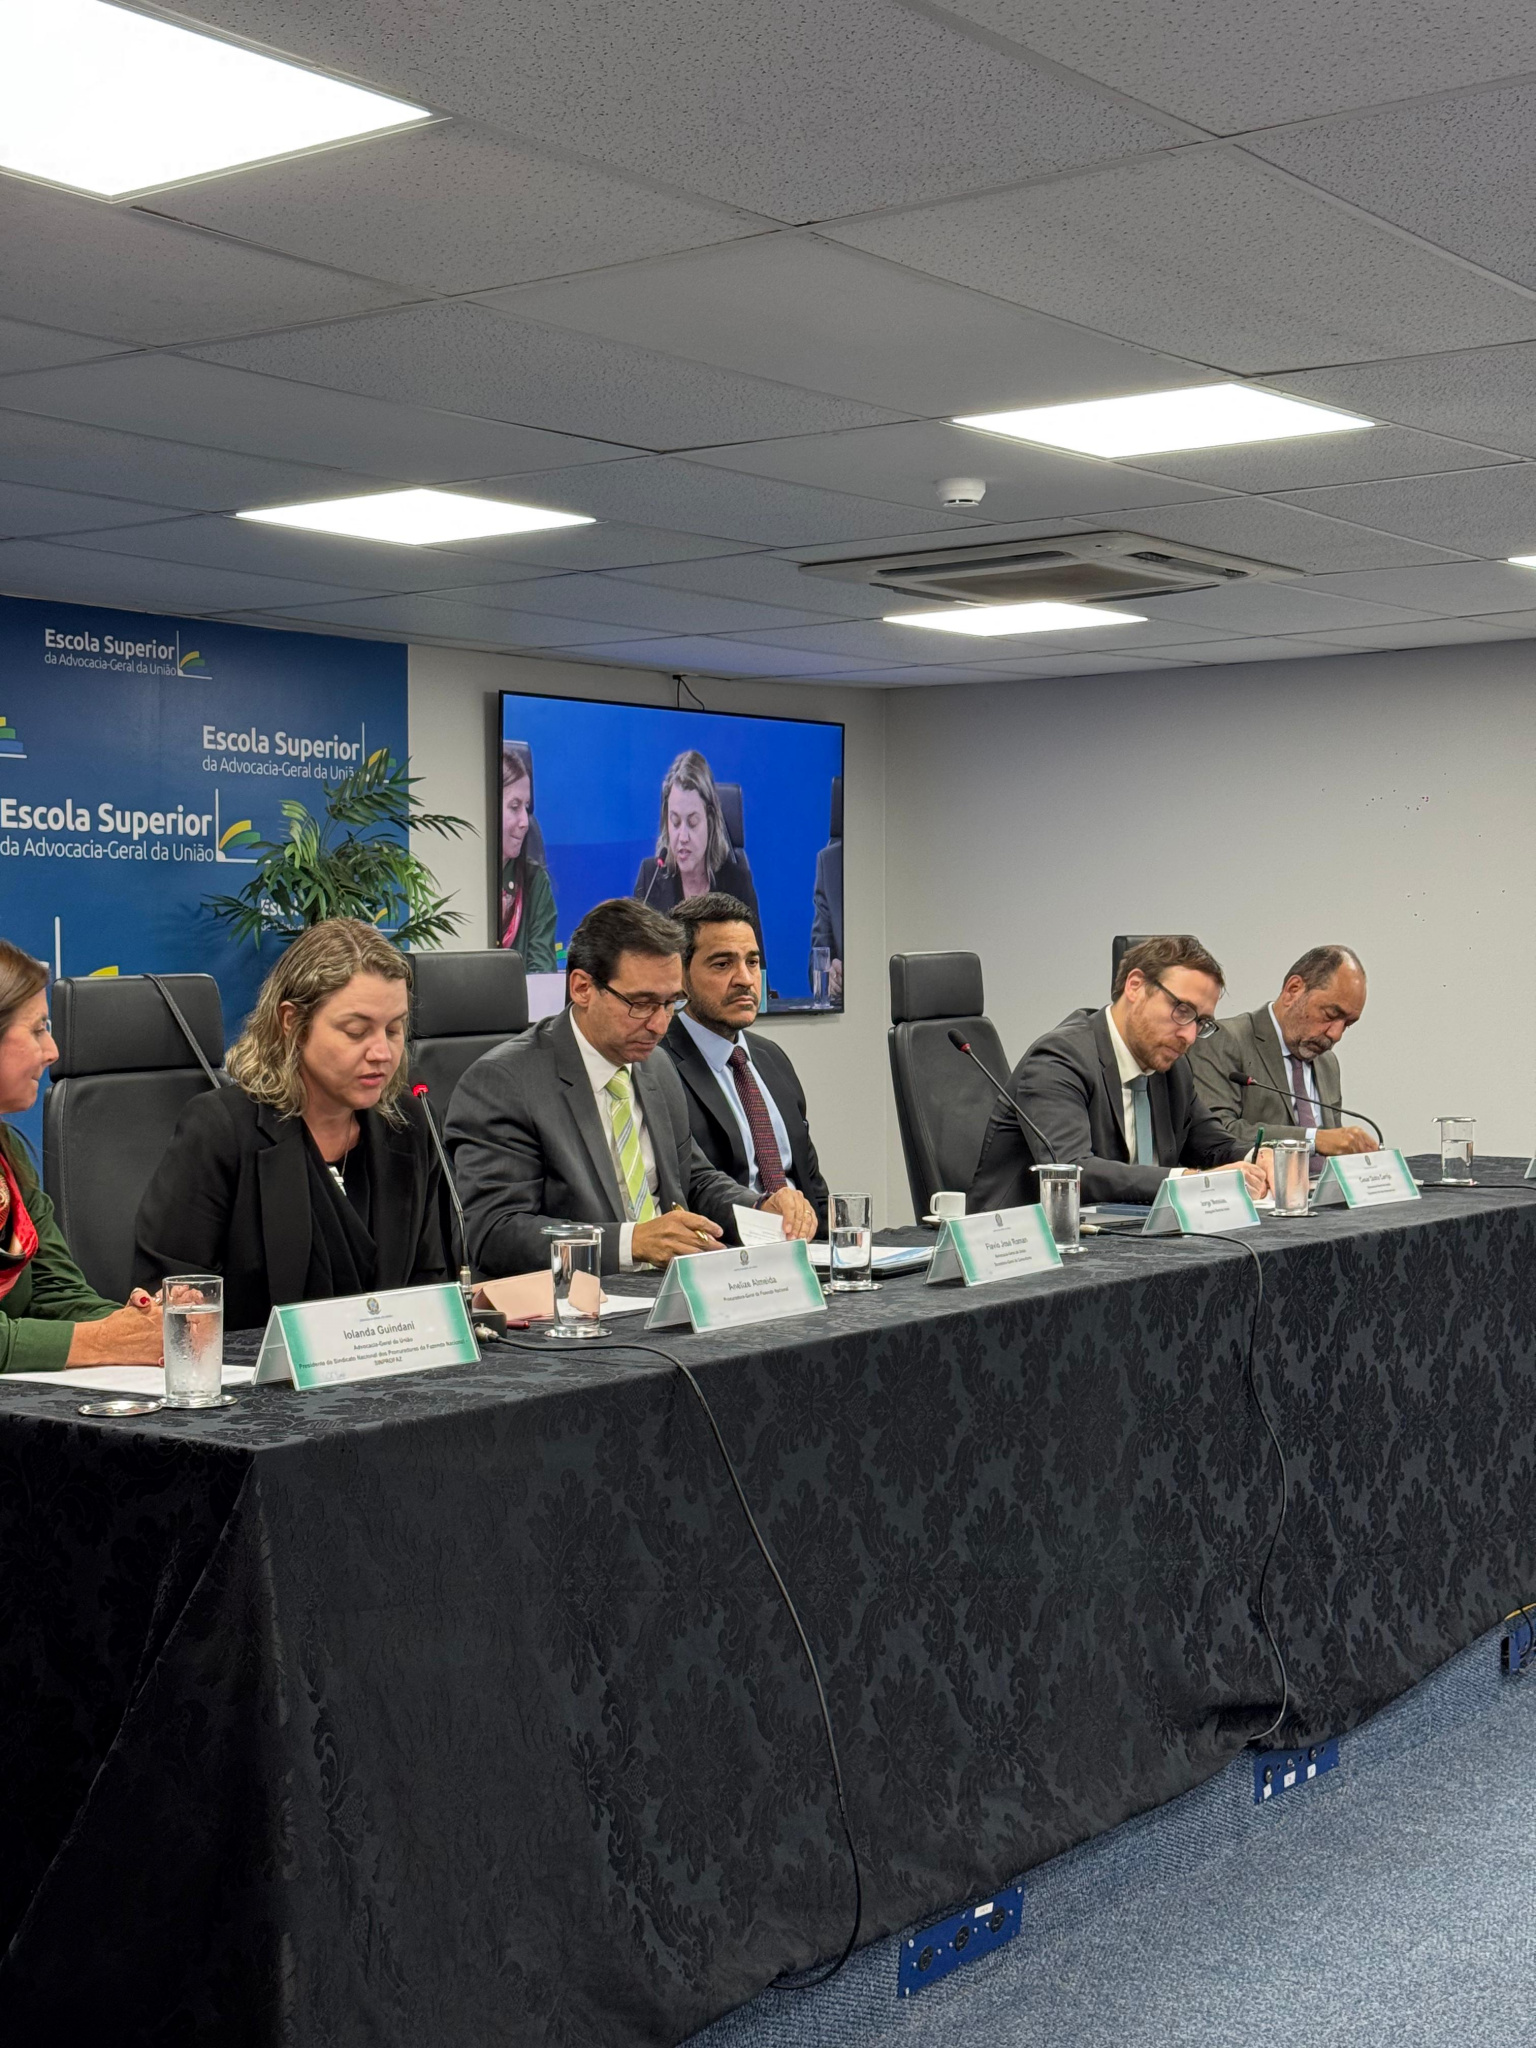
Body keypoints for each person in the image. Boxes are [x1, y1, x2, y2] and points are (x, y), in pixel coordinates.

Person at [447, 897, 811, 1275]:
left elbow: (695, 1180)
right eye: (641, 1003)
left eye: (670, 1003)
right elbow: (495, 1232)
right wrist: (631, 1242)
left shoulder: (656, 1066)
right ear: (582, 988)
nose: (659, 1024)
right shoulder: (504, 1082)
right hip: (578, 1299)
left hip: (668, 1289)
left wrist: (759, 1208)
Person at [134, 920, 453, 1330]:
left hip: (390, 1367)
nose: (382, 1052)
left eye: (394, 1029)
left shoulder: (410, 1125)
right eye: (356, 1031)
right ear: (292, 1024)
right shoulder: (220, 1130)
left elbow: (430, 1286)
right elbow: (172, 1301)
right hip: (248, 1368)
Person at [970, 934, 1271, 1210]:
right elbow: (1073, 1172)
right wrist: (1193, 1182)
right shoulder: (1058, 1059)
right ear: (1135, 986)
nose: (1190, 1036)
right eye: (1182, 1011)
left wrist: (1259, 1157)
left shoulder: (1171, 1067)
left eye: (1201, 1022)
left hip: (1130, 1233)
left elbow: (1213, 1146)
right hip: (1025, 1241)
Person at [0, 939, 163, 1371]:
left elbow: (55, 1292)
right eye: (37, 1029)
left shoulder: (7, 1151)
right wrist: (108, 1341)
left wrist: (146, 1325)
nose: (53, 1052)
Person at [661, 894, 827, 1236]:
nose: (745, 979)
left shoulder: (771, 1058)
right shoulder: (658, 1064)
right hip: (727, 1251)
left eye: (752, 962)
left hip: (805, 1249)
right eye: (723, 964)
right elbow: (689, 1189)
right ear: (680, 975)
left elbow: (812, 1187)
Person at [1188, 946, 1377, 1156]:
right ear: (1293, 990)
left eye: (1348, 1024)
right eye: (1330, 1015)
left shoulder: (1328, 1063)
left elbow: (1332, 1146)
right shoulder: (1224, 1040)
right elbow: (1217, 1134)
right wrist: (1313, 1139)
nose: (1336, 1034)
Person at [632, 750, 762, 932]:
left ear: (710, 820)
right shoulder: (650, 878)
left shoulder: (737, 882)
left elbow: (754, 951)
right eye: (675, 822)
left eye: (693, 823)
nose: (683, 837)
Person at [497, 738, 557, 971]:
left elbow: (542, 972)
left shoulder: (535, 882)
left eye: (527, 807)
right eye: (514, 807)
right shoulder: (462, 879)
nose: (525, 821)